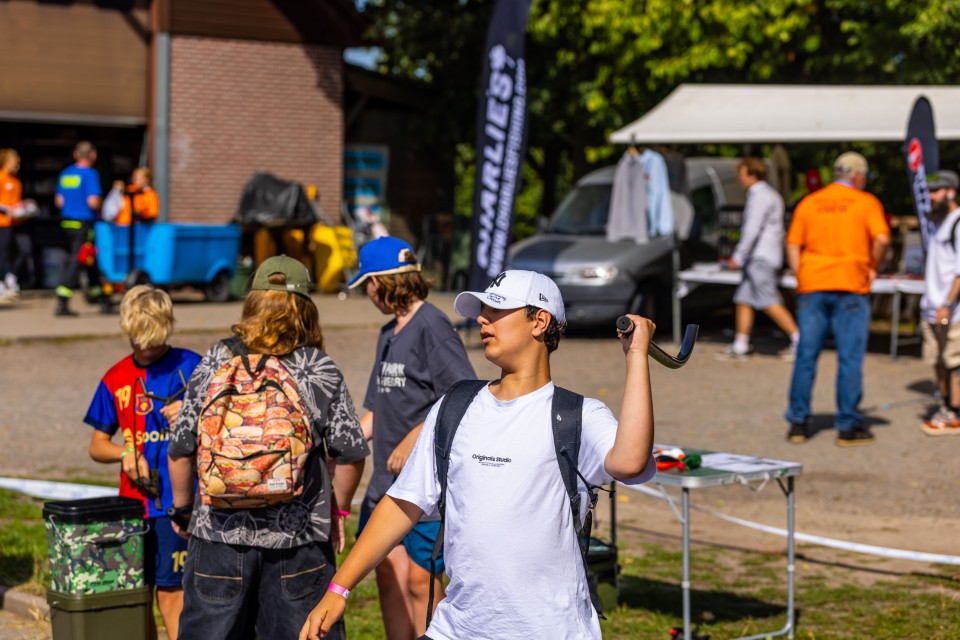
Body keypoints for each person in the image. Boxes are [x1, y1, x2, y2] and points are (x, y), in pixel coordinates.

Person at [300, 269, 658, 640]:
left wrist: (636, 356)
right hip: (455, 629)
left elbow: (631, 463)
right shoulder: (455, 405)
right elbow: (402, 503)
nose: (482, 319)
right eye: (482, 309)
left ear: (539, 321)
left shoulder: (579, 415)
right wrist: (339, 588)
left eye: (497, 310)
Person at [168, 255, 369, 640]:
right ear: (305, 308)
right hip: (298, 541)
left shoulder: (216, 360)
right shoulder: (316, 367)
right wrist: (337, 510)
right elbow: (350, 452)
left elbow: (180, 448)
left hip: (218, 535)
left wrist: (182, 510)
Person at [347, 236, 476, 639]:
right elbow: (375, 410)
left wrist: (414, 438)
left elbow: (462, 396)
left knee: (422, 582)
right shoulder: (388, 332)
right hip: (384, 487)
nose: (368, 294)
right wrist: (341, 445)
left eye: (368, 284)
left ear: (383, 281)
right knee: (388, 573)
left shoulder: (433, 326)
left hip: (424, 488)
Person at [84, 285, 202, 640]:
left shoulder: (193, 367)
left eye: (153, 342)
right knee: (137, 597)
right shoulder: (115, 377)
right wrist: (123, 452)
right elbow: (96, 446)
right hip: (133, 508)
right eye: (137, 342)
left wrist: (193, 414)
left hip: (177, 507)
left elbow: (226, 423)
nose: (145, 349)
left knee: (172, 594)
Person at [784, 151, 890, 446]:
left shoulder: (810, 202)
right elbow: (882, 238)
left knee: (806, 355)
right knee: (849, 357)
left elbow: (792, 243)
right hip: (851, 284)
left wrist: (801, 275)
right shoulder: (866, 202)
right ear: (857, 176)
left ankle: (798, 424)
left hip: (813, 285)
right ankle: (847, 425)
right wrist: (873, 266)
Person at [717, 157, 799, 361]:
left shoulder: (760, 196)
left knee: (768, 301)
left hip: (760, 257)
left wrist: (738, 256)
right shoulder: (768, 194)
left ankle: (799, 340)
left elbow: (751, 229)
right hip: (761, 256)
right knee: (743, 299)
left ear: (751, 175)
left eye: (741, 174)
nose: (739, 178)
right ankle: (741, 344)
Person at [918, 170, 960, 436]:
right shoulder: (937, 223)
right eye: (929, 191)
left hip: (952, 310)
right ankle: (945, 406)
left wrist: (947, 303)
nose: (931, 196)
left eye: (936, 191)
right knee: (937, 360)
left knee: (955, 361)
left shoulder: (958, 223)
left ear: (951, 192)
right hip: (931, 307)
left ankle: (956, 413)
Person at [54, 141, 108, 317]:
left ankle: (99, 296)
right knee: (77, 260)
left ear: (75, 155)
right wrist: (103, 204)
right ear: (93, 155)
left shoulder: (65, 173)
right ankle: (62, 300)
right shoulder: (90, 174)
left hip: (67, 223)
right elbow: (93, 201)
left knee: (90, 258)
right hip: (83, 224)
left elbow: (59, 201)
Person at [0, 148, 35, 300]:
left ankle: (11, 277)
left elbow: (16, 202)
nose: (17, 166)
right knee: (3, 254)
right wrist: (7, 209)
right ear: (6, 162)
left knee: (26, 249)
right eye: (15, 162)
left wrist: (25, 207)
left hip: (18, 222)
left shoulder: (16, 180)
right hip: (3, 222)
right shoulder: (1, 177)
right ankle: (1, 283)